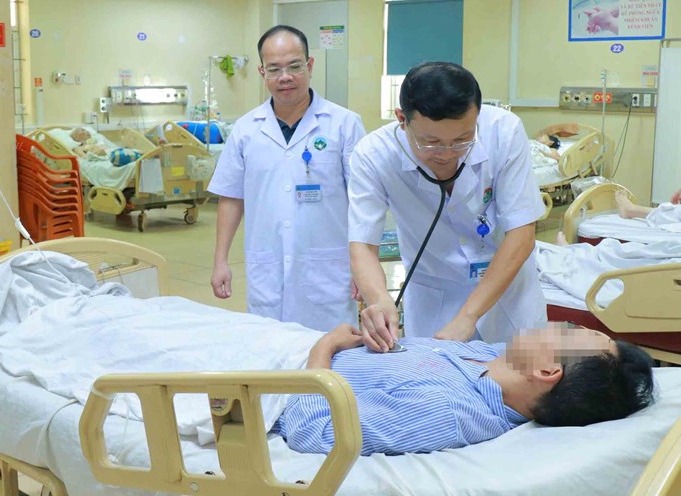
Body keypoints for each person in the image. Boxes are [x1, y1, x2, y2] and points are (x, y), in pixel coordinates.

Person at [349, 62, 546, 350]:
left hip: (508, 293)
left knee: (525, 376)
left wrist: (469, 316)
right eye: (431, 142)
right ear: (402, 119)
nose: (447, 154)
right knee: (437, 375)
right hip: (434, 296)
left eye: (463, 140)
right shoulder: (373, 155)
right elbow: (363, 244)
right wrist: (379, 299)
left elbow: (522, 234)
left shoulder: (503, 131)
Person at [275, 323, 654, 456]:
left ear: (546, 371)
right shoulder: (493, 358)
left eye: (568, 332)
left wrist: (324, 348)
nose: (556, 324)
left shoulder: (444, 411)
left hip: (277, 376)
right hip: (291, 341)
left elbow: (315, 435)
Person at [208, 25, 366, 332]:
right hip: (268, 267)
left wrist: (363, 267)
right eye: (274, 69)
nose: (285, 77)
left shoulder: (344, 124)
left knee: (332, 349)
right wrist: (220, 260)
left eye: (294, 66)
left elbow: (363, 202)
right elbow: (231, 197)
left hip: (329, 270)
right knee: (271, 349)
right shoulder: (245, 129)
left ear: (310, 65)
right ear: (261, 72)